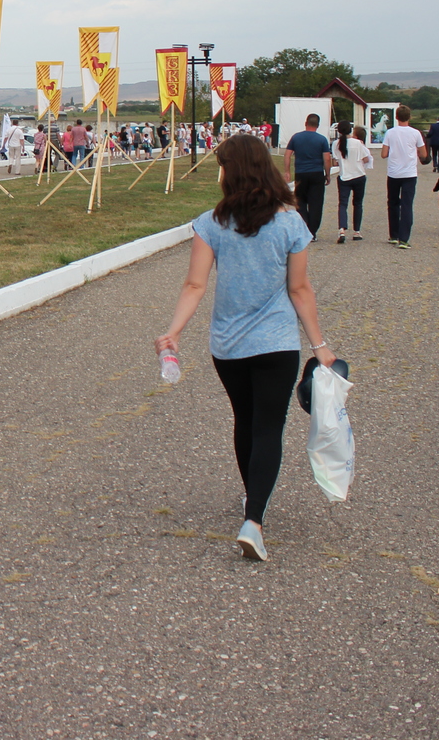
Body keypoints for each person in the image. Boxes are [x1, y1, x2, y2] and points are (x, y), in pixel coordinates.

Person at [155, 134, 335, 562]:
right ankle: (254, 518)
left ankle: (251, 501)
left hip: (228, 345)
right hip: (277, 344)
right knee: (268, 427)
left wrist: (174, 331)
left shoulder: (211, 223)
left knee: (245, 421)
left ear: (231, 171)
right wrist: (320, 346)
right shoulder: (292, 223)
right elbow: (300, 288)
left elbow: (195, 284)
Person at [380, 105, 428, 248]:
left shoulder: (390, 133)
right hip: (409, 173)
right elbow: (424, 154)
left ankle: (393, 234)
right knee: (407, 205)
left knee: (393, 203)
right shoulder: (416, 133)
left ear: (396, 117)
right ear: (410, 117)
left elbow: (383, 154)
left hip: (394, 173)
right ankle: (404, 238)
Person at [284, 113, 334, 241]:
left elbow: (287, 154)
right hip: (316, 173)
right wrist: (327, 174)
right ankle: (312, 231)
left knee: (300, 201)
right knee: (316, 203)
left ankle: (305, 224)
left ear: (306, 123)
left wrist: (287, 171)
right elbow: (327, 158)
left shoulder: (296, 138)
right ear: (318, 125)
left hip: (301, 172)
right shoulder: (322, 139)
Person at [331, 121, 373, 243]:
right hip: (359, 175)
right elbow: (365, 159)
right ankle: (357, 231)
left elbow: (335, 162)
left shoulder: (336, 144)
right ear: (351, 130)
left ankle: (342, 229)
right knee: (358, 203)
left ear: (338, 131)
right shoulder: (358, 143)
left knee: (343, 203)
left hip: (344, 176)